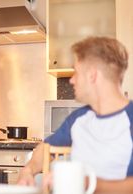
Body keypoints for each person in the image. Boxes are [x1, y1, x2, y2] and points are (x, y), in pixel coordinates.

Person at [17, 37, 133, 193]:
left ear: (92, 75)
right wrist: (28, 170)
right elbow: (45, 148)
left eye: (76, 73)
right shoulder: (78, 118)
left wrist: (88, 183)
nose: (71, 80)